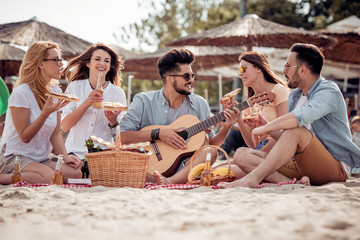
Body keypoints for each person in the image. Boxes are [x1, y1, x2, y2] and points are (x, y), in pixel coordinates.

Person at [218, 43, 360, 188]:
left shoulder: (328, 91)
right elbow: (287, 140)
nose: (284, 70)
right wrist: (267, 126)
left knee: (295, 129)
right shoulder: (295, 96)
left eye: (287, 66)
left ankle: (252, 179)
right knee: (241, 154)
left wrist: (264, 129)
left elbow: (299, 119)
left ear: (302, 70)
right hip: (301, 165)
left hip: (334, 168)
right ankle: (291, 183)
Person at [120, 48, 239, 184]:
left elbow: (210, 144)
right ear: (170, 79)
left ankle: (169, 182)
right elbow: (122, 137)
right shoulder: (143, 100)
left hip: (185, 167)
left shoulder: (200, 103)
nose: (191, 81)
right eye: (187, 76)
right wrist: (158, 134)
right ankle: (156, 178)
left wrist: (227, 126)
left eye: (192, 76)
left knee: (210, 152)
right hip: (149, 164)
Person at [0, 41, 82, 184]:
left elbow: (56, 133)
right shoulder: (21, 93)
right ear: (41, 64)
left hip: (40, 159)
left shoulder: (55, 92)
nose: (61, 64)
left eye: (60, 60)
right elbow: (25, 136)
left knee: (75, 174)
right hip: (14, 157)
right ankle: (2, 178)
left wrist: (65, 156)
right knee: (51, 178)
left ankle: (38, 173)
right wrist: (44, 114)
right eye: (56, 60)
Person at [61, 43, 127, 162]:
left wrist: (113, 121)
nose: (102, 63)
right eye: (97, 59)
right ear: (88, 63)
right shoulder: (75, 87)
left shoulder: (117, 93)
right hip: (73, 153)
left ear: (109, 66)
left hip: (103, 155)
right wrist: (87, 102)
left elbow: (122, 135)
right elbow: (65, 126)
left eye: (106, 61)